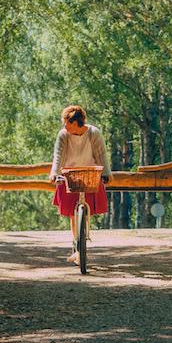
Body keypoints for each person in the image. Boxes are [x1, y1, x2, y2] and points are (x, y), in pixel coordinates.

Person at [49, 105, 111, 263]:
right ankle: (77, 245)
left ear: (76, 122)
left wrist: (106, 173)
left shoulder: (93, 133)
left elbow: (101, 153)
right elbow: (58, 155)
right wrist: (54, 173)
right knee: (72, 213)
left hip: (90, 173)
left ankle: (83, 240)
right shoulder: (63, 135)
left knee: (86, 209)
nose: (64, 126)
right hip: (70, 174)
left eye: (66, 122)